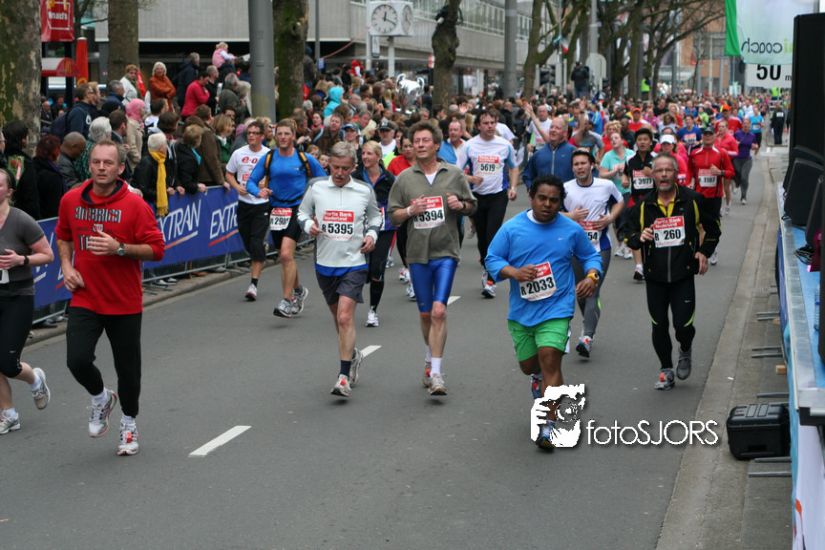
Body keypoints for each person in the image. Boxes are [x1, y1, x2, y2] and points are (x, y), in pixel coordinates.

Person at [55, 140, 165, 455]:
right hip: (85, 296)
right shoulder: (71, 199)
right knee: (76, 360)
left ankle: (128, 423)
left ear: (120, 168)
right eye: (96, 162)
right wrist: (66, 266)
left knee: (128, 369)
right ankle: (101, 397)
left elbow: (157, 249)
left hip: (123, 300)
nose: (101, 168)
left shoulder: (134, 205)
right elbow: (63, 235)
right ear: (89, 165)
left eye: (108, 163)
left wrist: (120, 248)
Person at [485, 174, 601, 449]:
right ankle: (537, 379)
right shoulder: (512, 229)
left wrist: (591, 276)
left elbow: (590, 256)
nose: (547, 204)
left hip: (557, 308)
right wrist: (513, 272)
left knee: (550, 358)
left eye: (554, 200)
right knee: (530, 366)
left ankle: (547, 425)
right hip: (522, 312)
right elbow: (492, 258)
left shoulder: (570, 229)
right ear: (531, 197)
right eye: (542, 198)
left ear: (561, 203)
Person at [389, 120, 477, 396]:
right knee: (426, 313)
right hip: (417, 253)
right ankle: (430, 358)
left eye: (425, 140)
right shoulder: (405, 179)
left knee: (439, 310)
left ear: (437, 145)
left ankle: (437, 373)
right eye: (416, 141)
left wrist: (460, 205)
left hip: (446, 251)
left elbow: (472, 205)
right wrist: (409, 211)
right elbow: (393, 215)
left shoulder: (453, 174)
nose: (420, 145)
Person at [625, 154, 720, 391]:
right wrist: (639, 237)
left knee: (683, 326)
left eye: (668, 170)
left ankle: (685, 349)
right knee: (658, 325)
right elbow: (627, 234)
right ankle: (666, 368)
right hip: (655, 277)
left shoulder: (693, 200)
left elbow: (714, 230)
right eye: (659, 171)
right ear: (653, 175)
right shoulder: (644, 205)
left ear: (676, 173)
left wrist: (704, 252)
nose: (664, 174)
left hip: (682, 275)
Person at [297, 142, 382, 397]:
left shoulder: (364, 190)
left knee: (345, 317)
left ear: (353, 167)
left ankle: (343, 377)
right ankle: (352, 355)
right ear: (329, 165)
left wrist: (372, 235)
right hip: (325, 263)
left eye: (345, 168)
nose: (340, 173)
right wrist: (308, 225)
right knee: (338, 319)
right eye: (335, 167)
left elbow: (376, 217)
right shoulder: (317, 187)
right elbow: (301, 213)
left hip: (354, 262)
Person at [247, 119, 326, 317]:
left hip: (298, 209)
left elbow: (323, 182)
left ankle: (287, 300)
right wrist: (259, 192)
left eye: (286, 134)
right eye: (279, 133)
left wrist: (316, 208)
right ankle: (298, 290)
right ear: (275, 136)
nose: (282, 137)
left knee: (285, 254)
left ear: (293, 136)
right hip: (276, 209)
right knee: (285, 257)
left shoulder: (304, 158)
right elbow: (250, 182)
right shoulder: (269, 158)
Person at [0, 167, 54, 435]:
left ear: (9, 191)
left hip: (18, 296)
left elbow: (48, 255)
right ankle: (8, 414)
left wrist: (21, 260)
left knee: (7, 364)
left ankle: (35, 379)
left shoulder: (21, 220)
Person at [562, 149, 623, 358]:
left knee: (592, 289)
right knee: (581, 291)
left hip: (600, 249)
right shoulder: (565, 189)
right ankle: (589, 321)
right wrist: (571, 216)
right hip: (574, 250)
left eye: (583, 163)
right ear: (572, 168)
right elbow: (552, 213)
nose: (580, 167)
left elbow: (620, 201)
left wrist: (610, 218)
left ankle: (587, 337)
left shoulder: (606, 186)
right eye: (576, 164)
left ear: (592, 165)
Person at [462, 109, 518, 298]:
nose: (490, 126)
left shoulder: (504, 145)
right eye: (485, 123)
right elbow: (456, 170)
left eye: (492, 123)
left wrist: (513, 187)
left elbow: (514, 167)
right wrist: (471, 178)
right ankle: (487, 267)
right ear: (478, 126)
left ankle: (491, 279)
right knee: (482, 238)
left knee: (492, 235)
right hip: (477, 196)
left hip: (498, 195)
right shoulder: (470, 145)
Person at [224, 120, 271, 301]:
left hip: (262, 204)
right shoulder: (239, 153)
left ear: (262, 136)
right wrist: (237, 186)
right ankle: (259, 252)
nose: (251, 136)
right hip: (244, 203)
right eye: (249, 133)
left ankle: (253, 284)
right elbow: (229, 173)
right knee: (247, 241)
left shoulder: (268, 154)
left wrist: (266, 183)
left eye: (255, 133)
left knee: (256, 242)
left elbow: (276, 175)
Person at [356, 141, 396, 327]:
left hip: (383, 228)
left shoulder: (389, 178)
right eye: (363, 153)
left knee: (377, 269)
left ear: (378, 157)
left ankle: (373, 310)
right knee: (359, 269)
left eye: (369, 153)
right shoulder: (356, 177)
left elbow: (398, 199)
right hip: (359, 227)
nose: (365, 157)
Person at [688, 128, 733, 266]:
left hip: (714, 196)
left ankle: (713, 249)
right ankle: (700, 251)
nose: (707, 137)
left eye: (710, 134)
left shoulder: (721, 153)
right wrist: (689, 182)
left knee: (712, 226)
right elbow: (690, 170)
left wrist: (720, 172)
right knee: (699, 225)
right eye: (705, 134)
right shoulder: (694, 153)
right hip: (698, 195)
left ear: (715, 136)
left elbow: (731, 172)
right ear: (702, 137)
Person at [622, 127, 656, 281]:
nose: (642, 142)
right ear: (636, 142)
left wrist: (652, 174)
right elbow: (625, 173)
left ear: (650, 142)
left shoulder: (656, 158)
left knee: (651, 231)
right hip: (635, 200)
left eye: (645, 140)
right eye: (640, 140)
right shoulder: (630, 159)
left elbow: (665, 178)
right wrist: (625, 180)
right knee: (634, 231)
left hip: (652, 201)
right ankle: (639, 267)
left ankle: (651, 263)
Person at [522, 113, 576, 188]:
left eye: (557, 128)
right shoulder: (538, 154)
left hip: (566, 195)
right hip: (544, 195)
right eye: (551, 127)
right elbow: (527, 175)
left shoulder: (573, 152)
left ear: (565, 133)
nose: (553, 130)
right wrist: (532, 189)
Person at [2, 121, 40, 220]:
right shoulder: (25, 162)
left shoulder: (3, 158)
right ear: (23, 140)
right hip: (19, 216)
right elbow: (30, 196)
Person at [733, 118, 759, 205]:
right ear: (742, 125)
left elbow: (756, 145)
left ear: (750, 125)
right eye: (744, 123)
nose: (745, 125)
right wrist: (735, 143)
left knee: (744, 177)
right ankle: (737, 183)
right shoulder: (737, 134)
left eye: (747, 124)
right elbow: (731, 143)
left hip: (747, 159)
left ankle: (743, 197)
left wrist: (755, 147)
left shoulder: (752, 135)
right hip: (736, 159)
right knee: (737, 175)